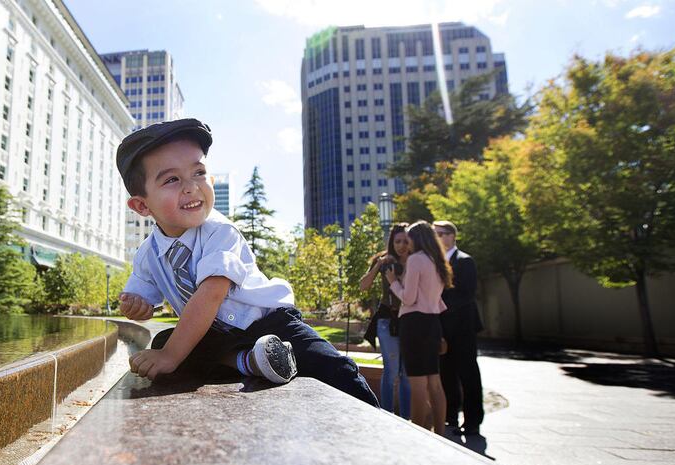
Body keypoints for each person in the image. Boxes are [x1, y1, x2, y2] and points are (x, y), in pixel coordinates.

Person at [115, 118, 378, 406]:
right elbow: (139, 297)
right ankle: (250, 361)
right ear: (142, 205)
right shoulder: (148, 252)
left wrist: (170, 356)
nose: (191, 187)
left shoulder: (219, 231)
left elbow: (211, 293)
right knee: (164, 342)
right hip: (218, 335)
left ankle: (375, 421)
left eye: (199, 172)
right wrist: (136, 306)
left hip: (268, 323)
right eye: (172, 179)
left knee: (331, 366)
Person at [385, 221, 451, 435]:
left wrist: (393, 282)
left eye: (409, 238)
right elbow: (438, 300)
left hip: (414, 324)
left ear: (416, 238)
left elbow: (409, 298)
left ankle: (418, 436)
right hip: (433, 323)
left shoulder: (415, 260)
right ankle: (440, 434)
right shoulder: (438, 261)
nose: (407, 243)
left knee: (418, 385)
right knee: (435, 382)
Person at [433, 220, 484, 435]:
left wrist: (439, 304)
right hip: (443, 329)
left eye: (441, 233)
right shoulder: (435, 262)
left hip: (463, 328)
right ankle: (450, 417)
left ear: (452, 236)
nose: (437, 237)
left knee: (468, 374)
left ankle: (472, 422)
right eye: (435, 234)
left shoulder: (465, 261)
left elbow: (467, 294)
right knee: (446, 374)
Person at [360, 223, 412, 419]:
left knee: (407, 373)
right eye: (397, 241)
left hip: (409, 320)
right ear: (392, 242)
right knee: (391, 371)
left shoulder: (416, 260)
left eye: (405, 241)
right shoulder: (384, 260)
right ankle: (386, 416)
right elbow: (363, 286)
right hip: (386, 320)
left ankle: (407, 420)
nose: (401, 246)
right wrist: (378, 265)